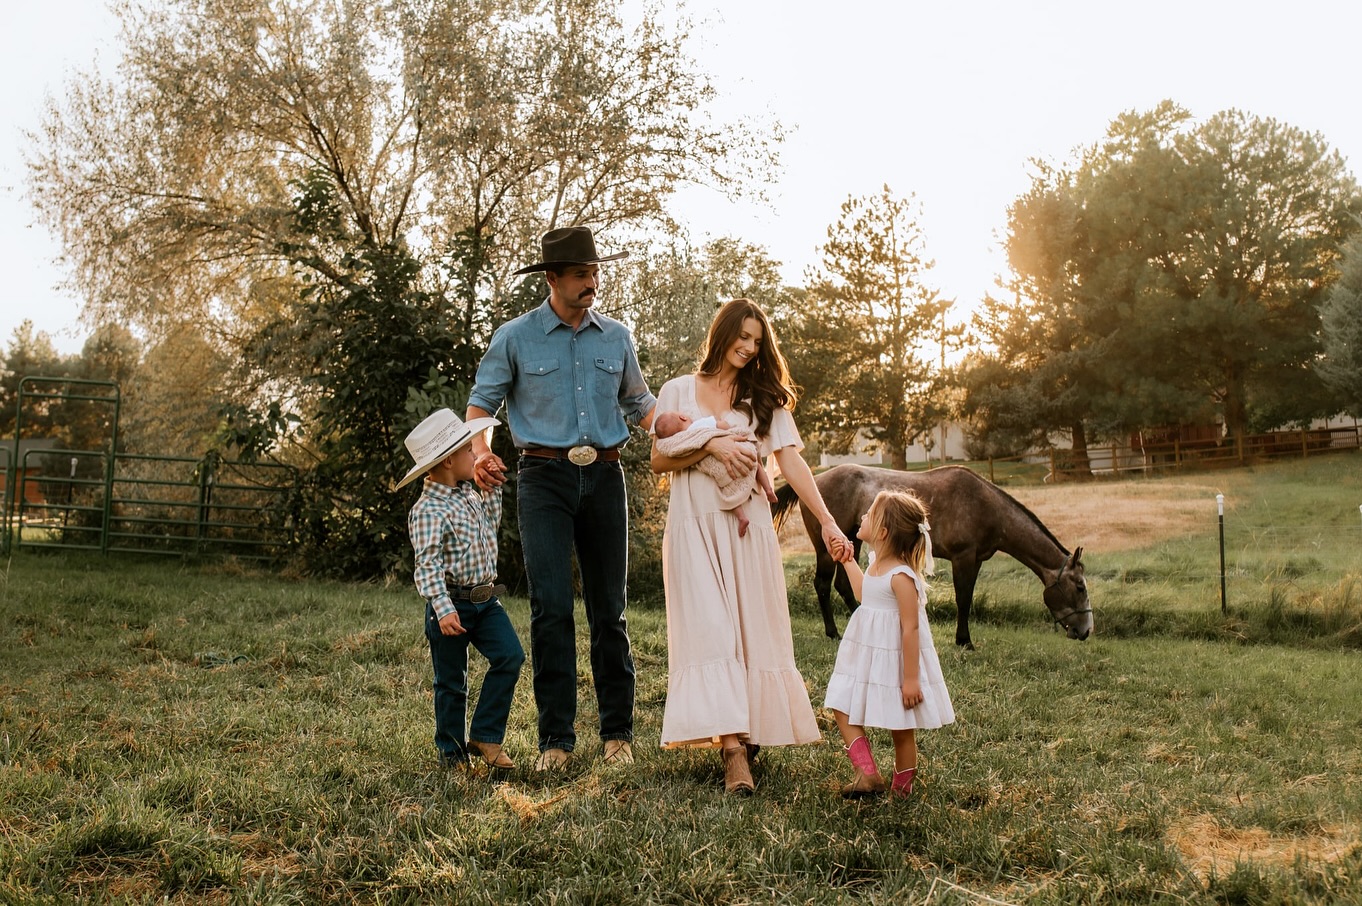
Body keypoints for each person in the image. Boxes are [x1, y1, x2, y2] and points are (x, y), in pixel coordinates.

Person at [467, 226, 656, 772]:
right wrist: (480, 452)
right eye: (581, 275)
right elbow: (481, 407)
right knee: (550, 608)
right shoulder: (515, 337)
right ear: (552, 279)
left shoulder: (616, 337)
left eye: (595, 272)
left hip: (605, 477)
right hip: (542, 479)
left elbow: (640, 403)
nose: (592, 282)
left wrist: (680, 426)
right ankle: (556, 740)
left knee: (610, 608)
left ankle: (617, 733)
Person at [651, 298, 853, 794]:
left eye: (757, 341)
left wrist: (827, 522)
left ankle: (744, 726)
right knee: (711, 631)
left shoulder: (763, 399)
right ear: (721, 335)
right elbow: (659, 460)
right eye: (741, 336)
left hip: (748, 530)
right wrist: (712, 444)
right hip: (694, 527)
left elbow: (792, 463)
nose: (748, 347)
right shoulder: (678, 390)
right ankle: (734, 751)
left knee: (749, 631)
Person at [397, 408, 525, 771]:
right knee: (451, 682)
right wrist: (442, 606)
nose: (476, 455)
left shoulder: (470, 493)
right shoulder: (428, 510)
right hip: (451, 605)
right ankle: (451, 754)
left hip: (487, 601)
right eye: (470, 451)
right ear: (451, 459)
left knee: (510, 657)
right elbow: (428, 564)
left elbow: (491, 527)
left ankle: (486, 733)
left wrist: (493, 485)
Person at [823, 489, 955, 798]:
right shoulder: (873, 565)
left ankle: (902, 790)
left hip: (895, 662)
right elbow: (863, 593)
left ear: (882, 532)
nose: (864, 515)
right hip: (867, 656)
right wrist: (847, 561)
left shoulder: (901, 576)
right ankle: (867, 773)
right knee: (841, 704)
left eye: (870, 513)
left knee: (901, 727)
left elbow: (910, 628)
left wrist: (911, 680)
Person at [651, 409, 778, 538]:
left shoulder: (683, 442)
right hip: (735, 454)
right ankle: (768, 490)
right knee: (755, 464)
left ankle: (741, 517)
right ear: (683, 417)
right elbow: (722, 426)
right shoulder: (702, 423)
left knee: (727, 491)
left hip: (723, 471)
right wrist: (729, 428)